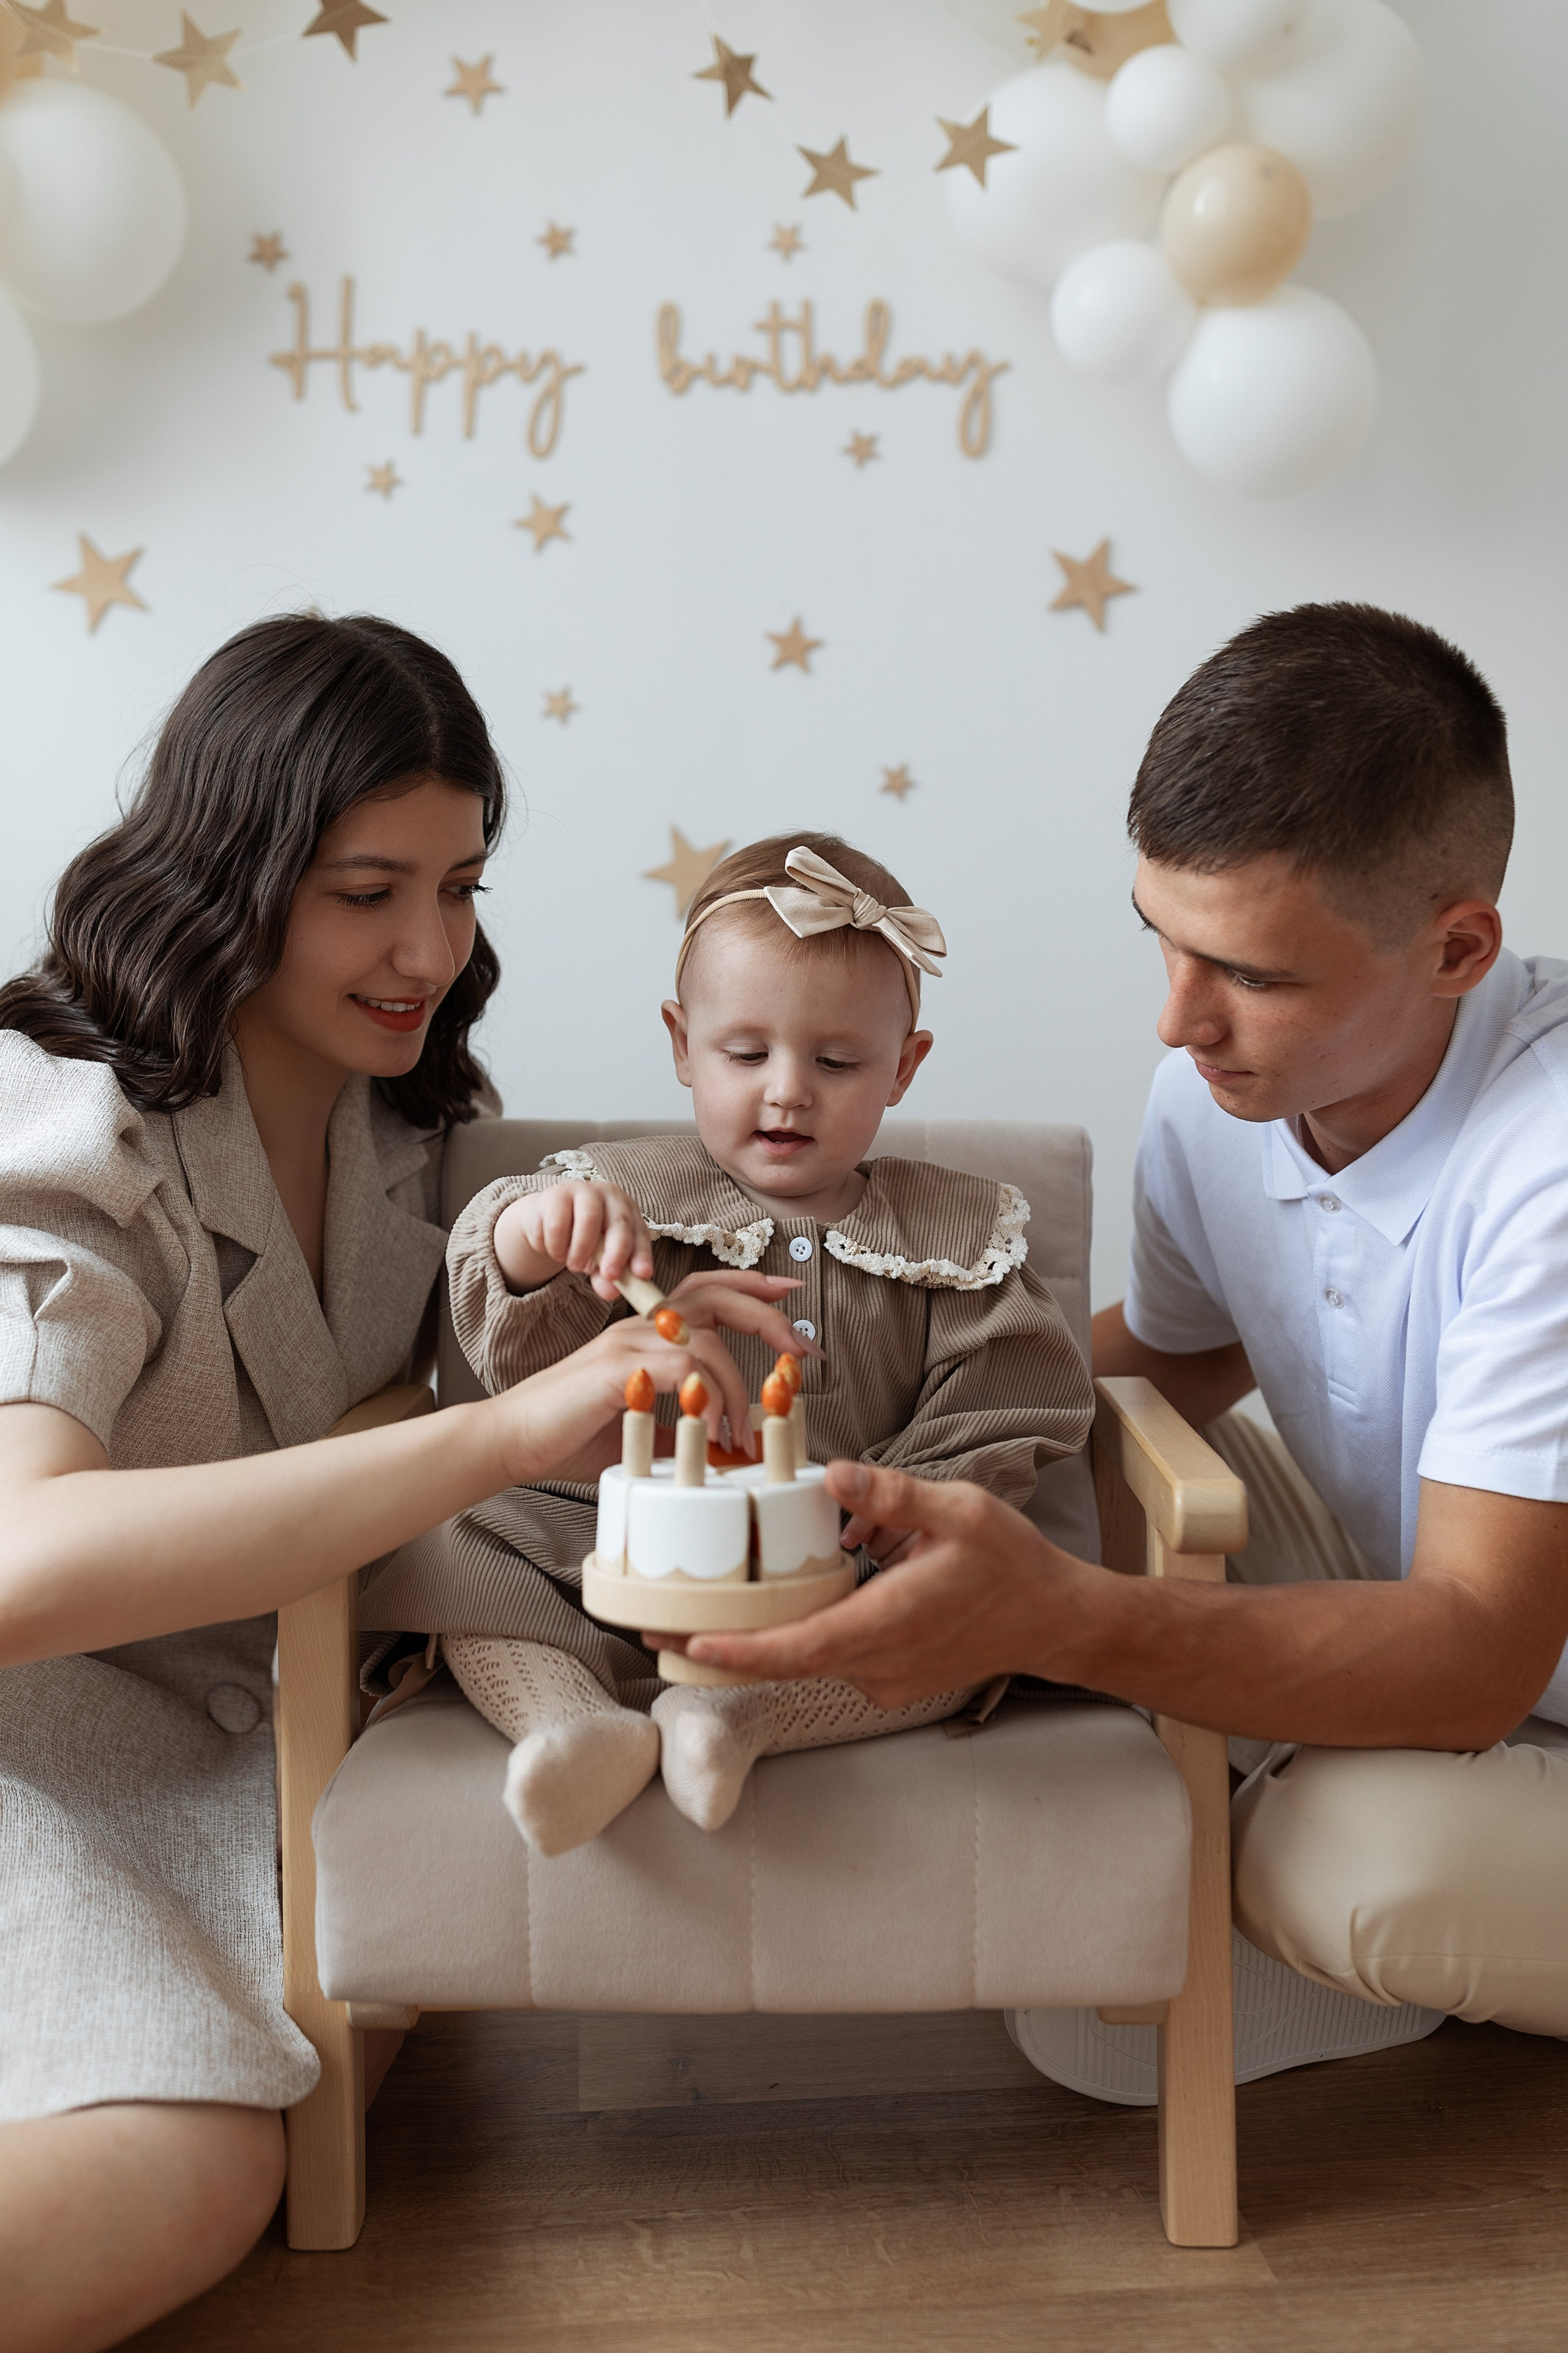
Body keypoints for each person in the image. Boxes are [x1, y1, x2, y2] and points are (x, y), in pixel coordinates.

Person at [0, 615, 802, 2353]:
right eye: (370, 889)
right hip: (37, 1749)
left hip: (252, 1741)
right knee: (193, 2172)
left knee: (324, 2101)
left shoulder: (410, 1134)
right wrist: (506, 1433)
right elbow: (21, 1563)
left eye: (464, 887)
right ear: (236, 866)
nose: (428, 946)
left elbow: (411, 1390)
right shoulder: (69, 1130)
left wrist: (601, 1312)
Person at [677, 605, 1568, 2066]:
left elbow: (1478, 1651)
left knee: (1333, 1866)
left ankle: (1297, 1829)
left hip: (1497, 1651)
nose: (1176, 1022)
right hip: (1430, 1586)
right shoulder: (1221, 1096)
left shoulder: (1540, 1156)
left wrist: (1055, 1619)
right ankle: (1260, 1795)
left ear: (1455, 945)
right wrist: (834, 1440)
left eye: (1253, 976)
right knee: (1062, 1473)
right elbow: (1165, 1356)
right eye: (1159, 941)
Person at [403, 834, 1093, 1854]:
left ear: (904, 1066)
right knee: (450, 1531)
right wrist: (530, 1236)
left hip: (841, 1572)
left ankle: (739, 1718)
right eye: (744, 1053)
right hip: (617, 1548)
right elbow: (520, 1357)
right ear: (683, 1044)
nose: (786, 1090)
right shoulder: (619, 1195)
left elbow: (1013, 1392)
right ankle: (569, 1722)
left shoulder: (957, 1234)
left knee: (975, 1611)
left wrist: (912, 1512)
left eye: (837, 1060)